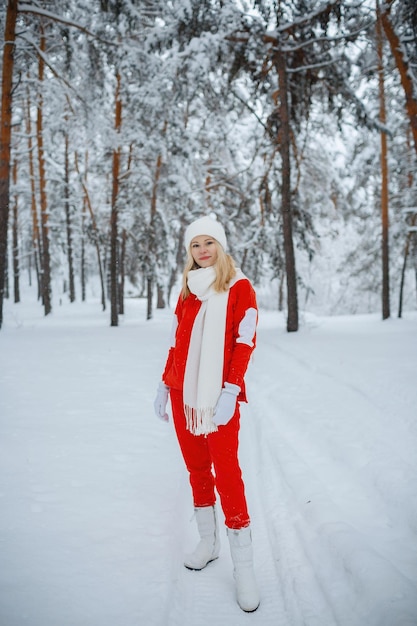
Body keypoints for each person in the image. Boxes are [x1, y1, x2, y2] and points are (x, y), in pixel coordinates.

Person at [153, 215, 260, 613]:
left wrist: (231, 388)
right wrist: (165, 384)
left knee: (227, 472)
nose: (202, 251)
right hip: (184, 395)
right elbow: (176, 342)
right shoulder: (187, 290)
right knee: (197, 468)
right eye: (195, 245)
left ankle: (245, 567)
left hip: (217, 397)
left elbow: (244, 342)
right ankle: (208, 542)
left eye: (208, 243)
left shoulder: (239, 288)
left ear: (221, 245)